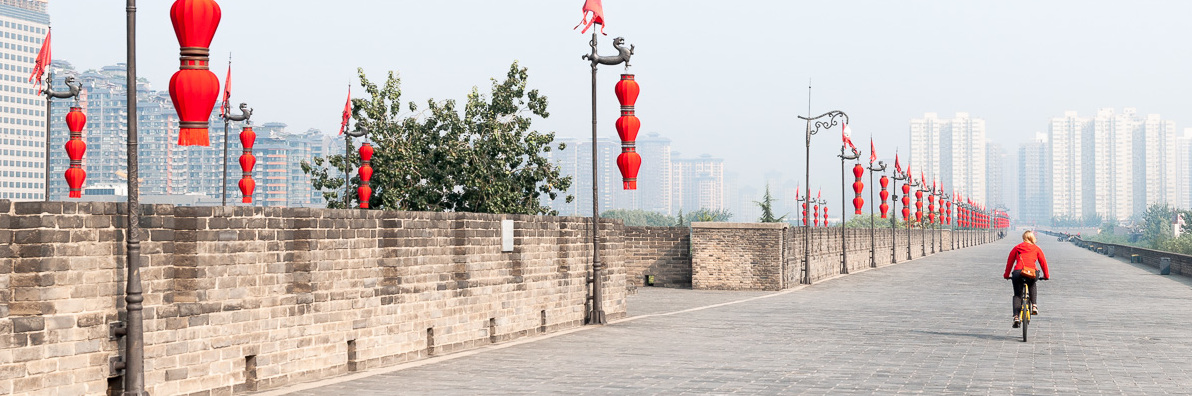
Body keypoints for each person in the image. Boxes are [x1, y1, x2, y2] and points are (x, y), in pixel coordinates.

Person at [1003, 230, 1049, 328]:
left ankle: (1016, 316)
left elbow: (1010, 262)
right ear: (1033, 238)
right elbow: (1043, 263)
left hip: (1018, 273)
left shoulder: (1017, 248)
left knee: (1017, 295)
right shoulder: (1036, 249)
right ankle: (1034, 306)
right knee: (1032, 283)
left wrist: (1006, 275)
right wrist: (1046, 276)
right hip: (1032, 272)